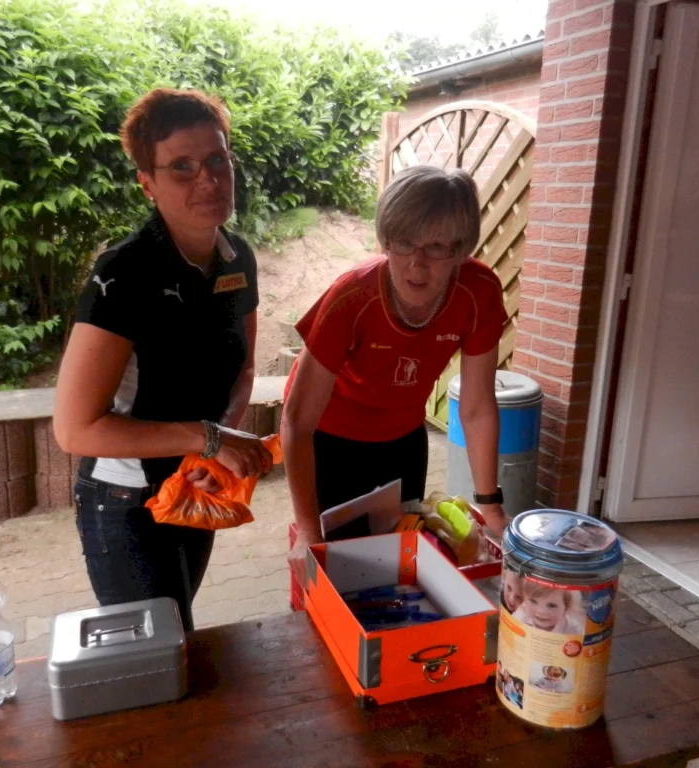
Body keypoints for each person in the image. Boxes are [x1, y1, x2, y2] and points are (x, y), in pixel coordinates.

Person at [53, 88, 274, 631]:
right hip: (124, 501)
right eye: (182, 168)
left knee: (181, 627)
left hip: (193, 479)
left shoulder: (237, 257)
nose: (208, 179)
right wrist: (210, 439)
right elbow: (76, 429)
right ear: (147, 183)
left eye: (218, 159)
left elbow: (242, 369)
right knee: (160, 650)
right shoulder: (124, 274)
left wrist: (215, 445)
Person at [283, 165, 509, 587]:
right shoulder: (352, 296)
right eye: (404, 243)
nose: (416, 265)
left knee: (398, 572)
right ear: (386, 239)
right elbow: (297, 421)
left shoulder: (479, 292)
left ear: (460, 249)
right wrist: (308, 534)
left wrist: (490, 504)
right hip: (331, 442)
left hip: (403, 441)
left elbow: (477, 407)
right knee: (330, 578)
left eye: (437, 247)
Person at [512, 582, 586, 635]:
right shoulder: (520, 617)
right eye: (533, 601)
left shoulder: (573, 631)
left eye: (551, 605)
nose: (541, 611)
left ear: (566, 607)